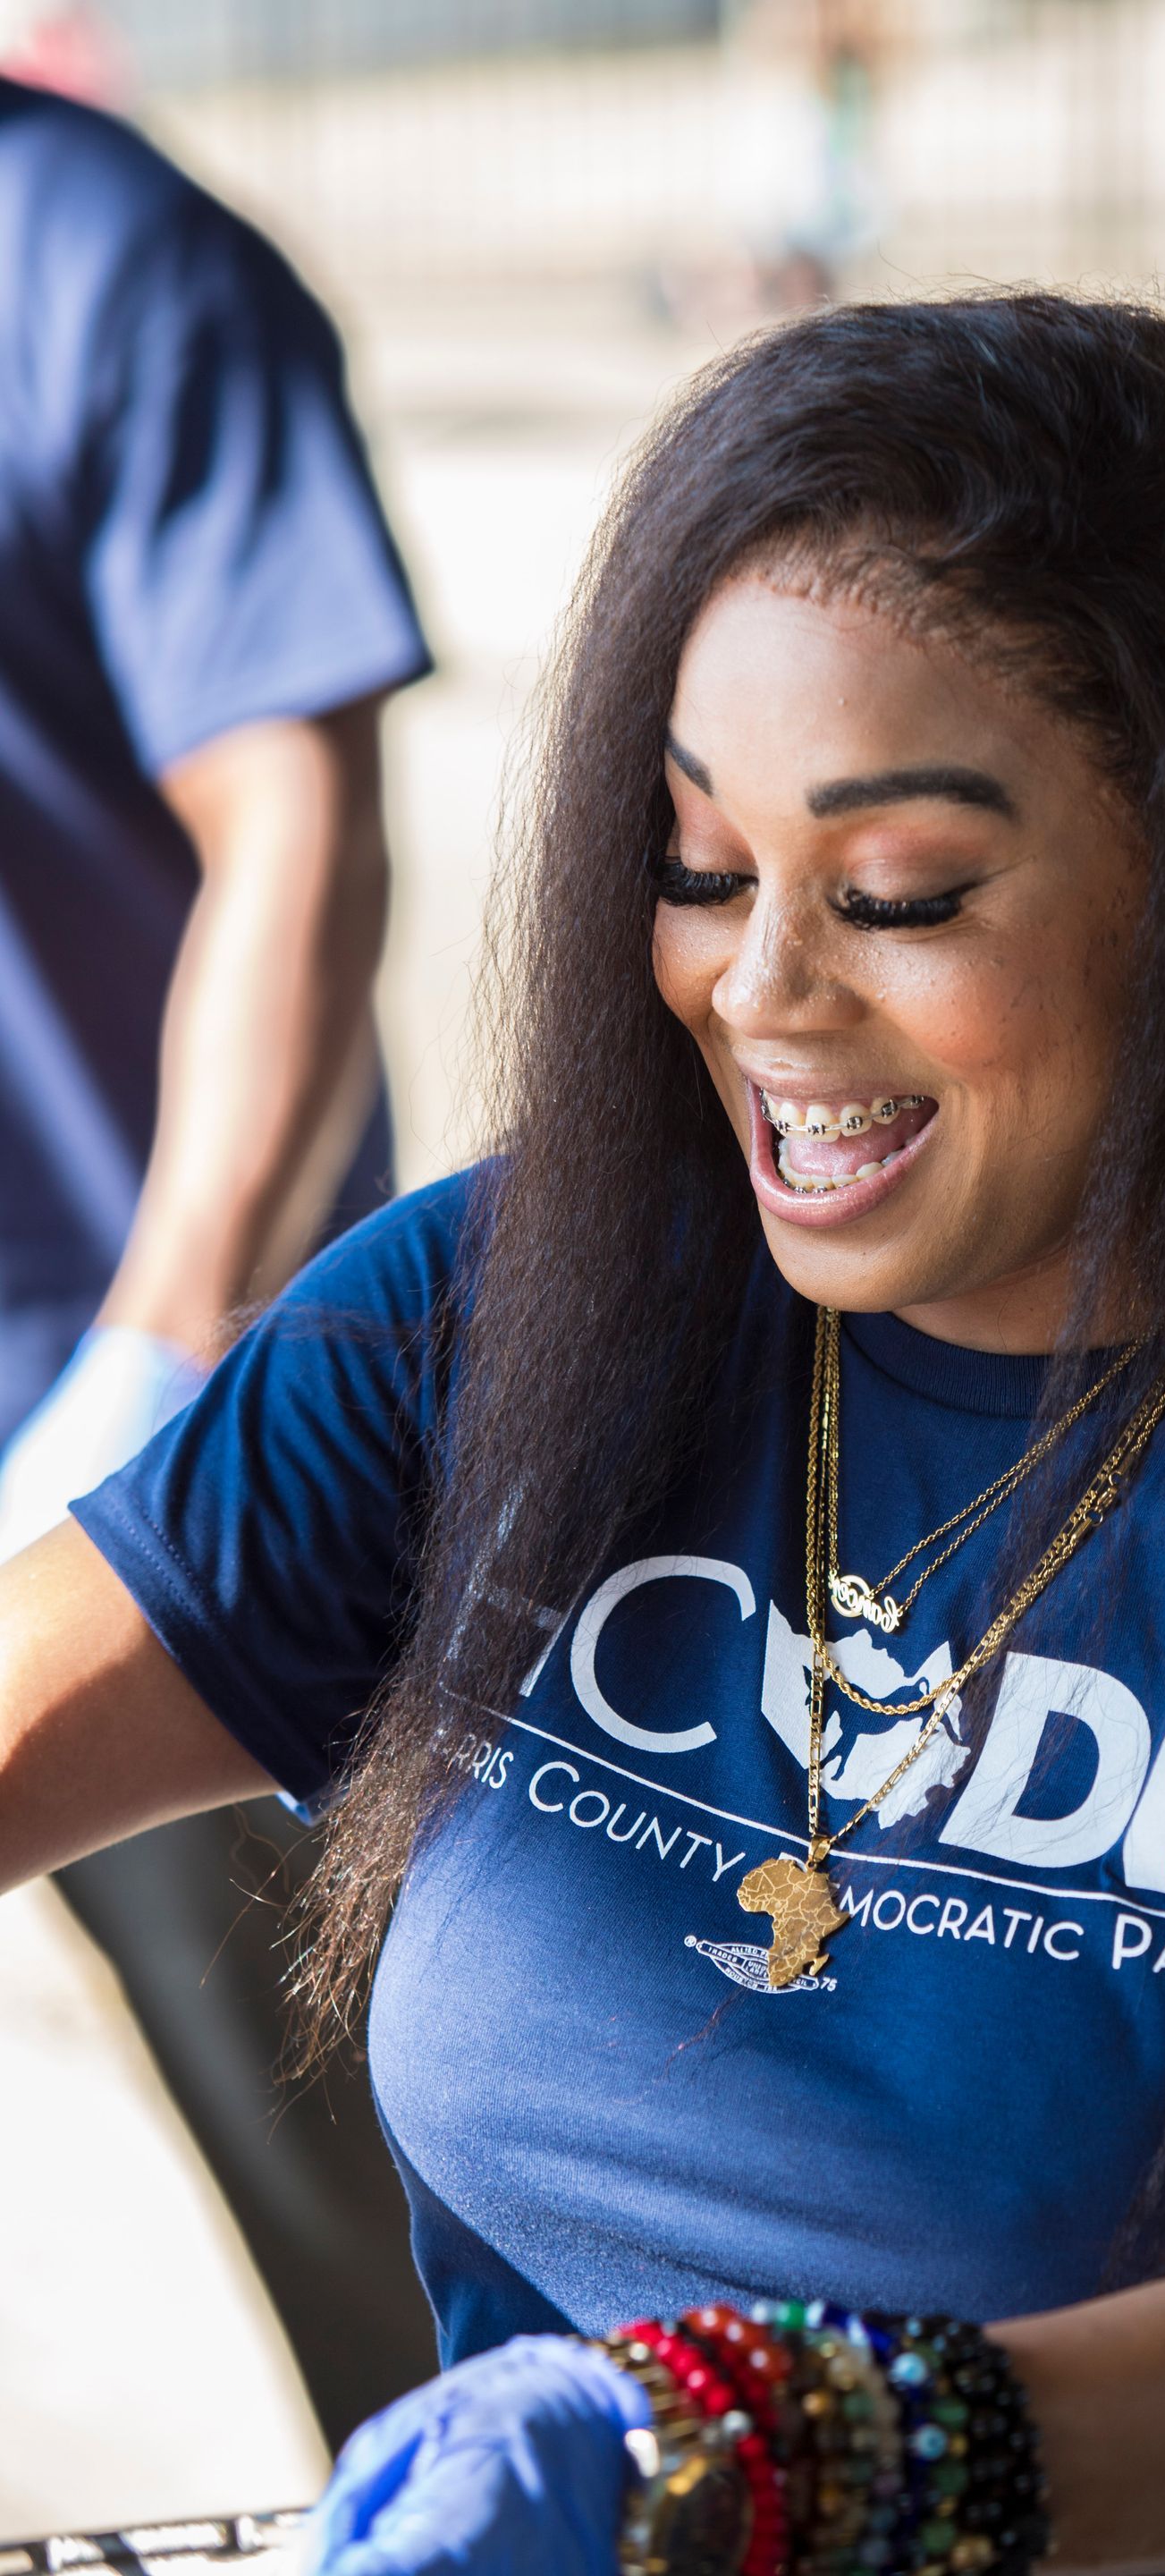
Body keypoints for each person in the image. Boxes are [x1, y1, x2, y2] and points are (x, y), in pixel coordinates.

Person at [3, 291, 1165, 2576]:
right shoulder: (517, 1307)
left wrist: (724, 2459)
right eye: (702, 867)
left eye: (896, 894)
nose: (761, 989)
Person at [0, 75, 437, 2440]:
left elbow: (299, 823)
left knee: (373, 2161)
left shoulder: (98, 265)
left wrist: (166, 1361)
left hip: (125, 1449)